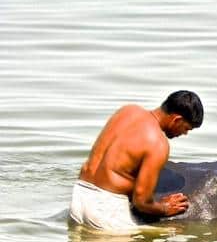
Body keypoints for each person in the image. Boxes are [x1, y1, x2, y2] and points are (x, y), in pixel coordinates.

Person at [69, 90, 203, 231]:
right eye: (186, 128)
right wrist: (164, 208)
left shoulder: (127, 111)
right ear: (177, 119)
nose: (184, 133)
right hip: (105, 210)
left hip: (79, 196)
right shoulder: (158, 143)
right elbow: (141, 202)